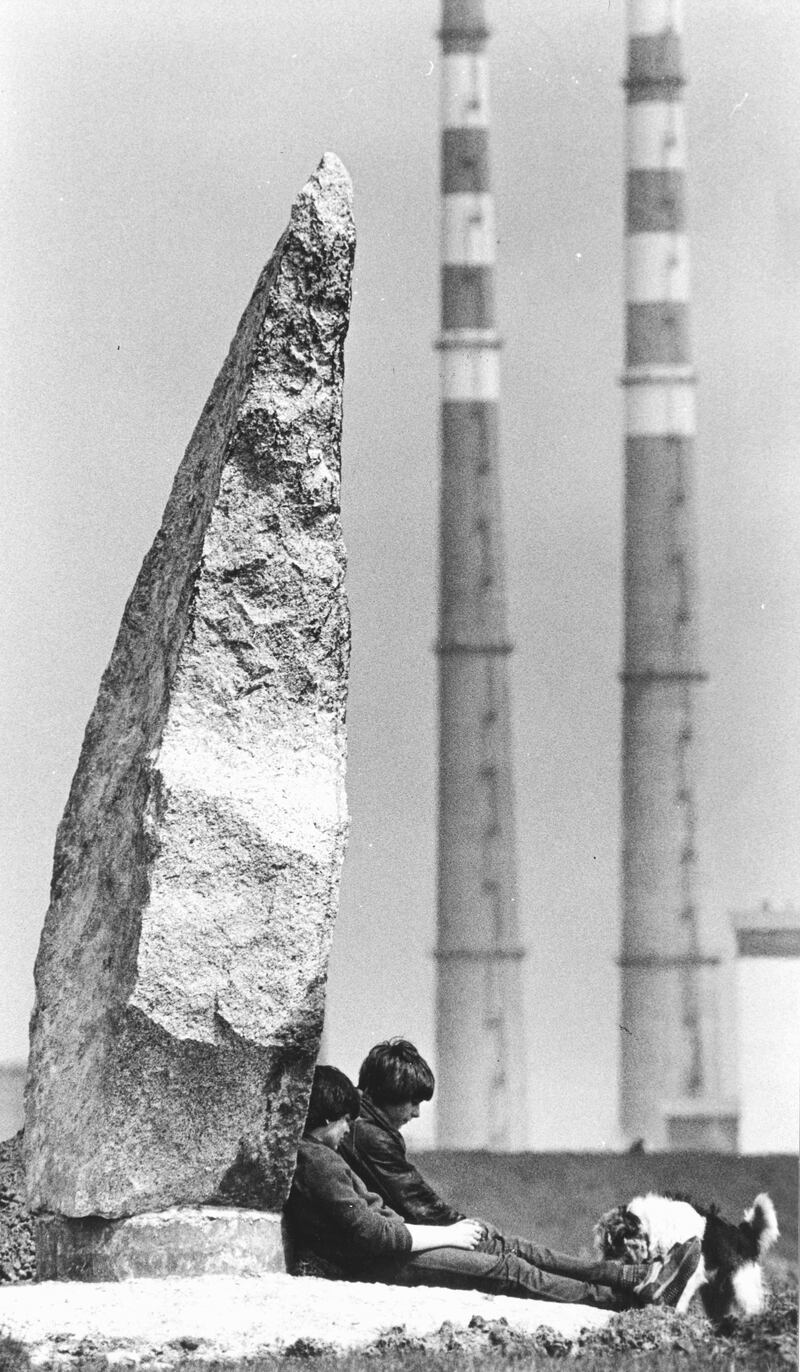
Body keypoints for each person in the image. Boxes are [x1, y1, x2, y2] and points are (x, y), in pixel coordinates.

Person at [285, 1064, 702, 1309]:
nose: (348, 1128)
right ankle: (627, 1296)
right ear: (325, 1119)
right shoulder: (322, 1158)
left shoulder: (323, 1153)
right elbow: (375, 1232)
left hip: (392, 1248)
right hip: (380, 1260)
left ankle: (633, 1282)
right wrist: (453, 1233)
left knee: (515, 1259)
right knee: (508, 1265)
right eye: (342, 1120)